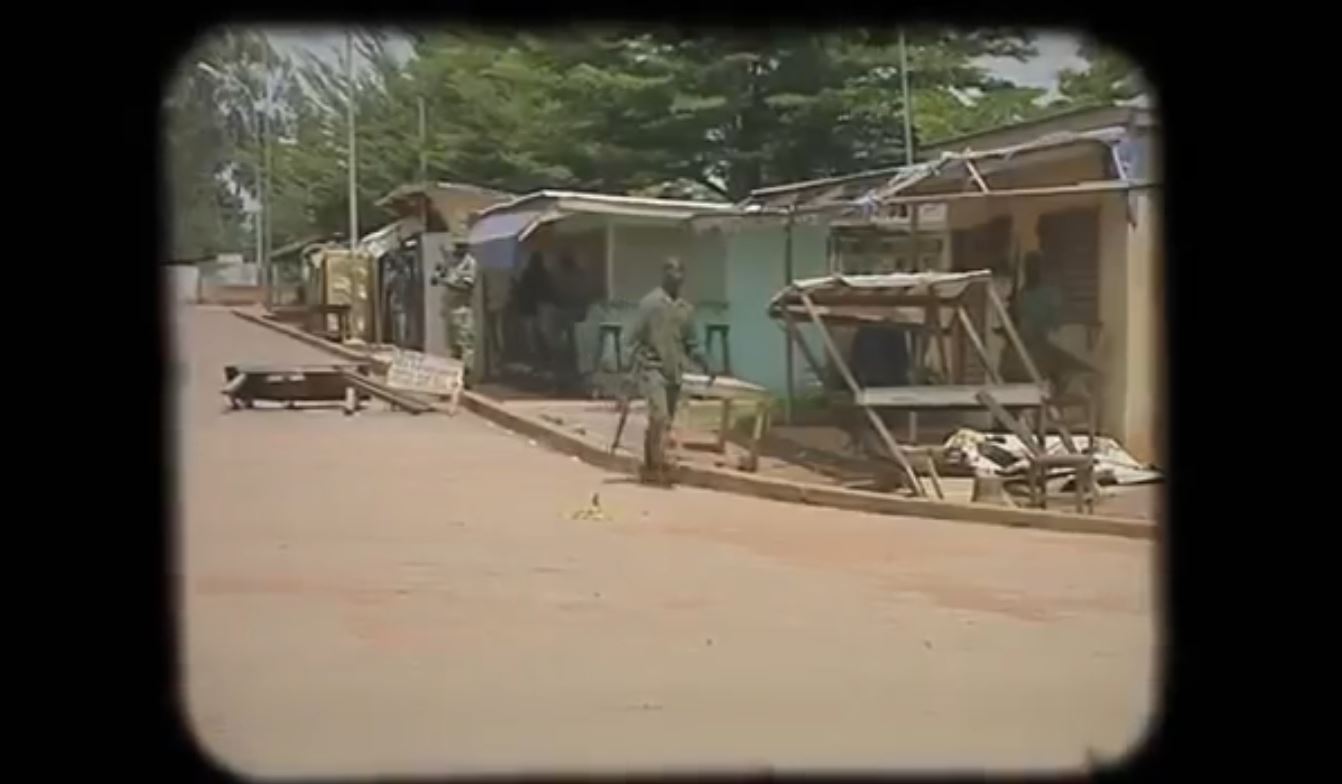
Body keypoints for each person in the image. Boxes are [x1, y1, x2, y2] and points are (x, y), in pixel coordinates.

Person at [626, 257, 712, 486]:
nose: (677, 276)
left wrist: (706, 363)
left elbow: (693, 343)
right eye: (672, 271)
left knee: (666, 421)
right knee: (659, 415)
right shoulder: (649, 304)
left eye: (681, 272)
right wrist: (629, 367)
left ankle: (651, 462)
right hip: (651, 368)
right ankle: (658, 463)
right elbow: (633, 338)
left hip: (674, 372)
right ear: (664, 274)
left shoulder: (686, 310)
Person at [437, 239, 478, 385]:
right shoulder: (453, 263)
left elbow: (466, 285)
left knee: (465, 346)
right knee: (453, 346)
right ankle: (455, 377)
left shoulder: (469, 263)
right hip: (450, 310)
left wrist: (447, 281)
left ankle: (467, 378)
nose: (456, 250)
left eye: (460, 247)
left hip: (463, 312)